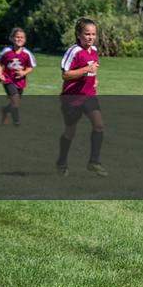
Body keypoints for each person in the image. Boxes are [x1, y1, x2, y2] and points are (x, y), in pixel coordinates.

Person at [56, 18, 107, 177]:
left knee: (99, 125)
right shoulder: (74, 51)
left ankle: (94, 162)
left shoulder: (94, 50)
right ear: (79, 35)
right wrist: (86, 70)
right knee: (70, 132)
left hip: (88, 96)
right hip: (71, 99)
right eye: (87, 34)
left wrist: (94, 80)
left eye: (93, 34)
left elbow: (93, 70)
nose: (91, 37)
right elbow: (66, 74)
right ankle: (62, 162)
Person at [0, 28, 36, 126]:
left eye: (22, 37)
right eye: (17, 37)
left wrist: (24, 72)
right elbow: (0, 64)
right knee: (15, 100)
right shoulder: (6, 51)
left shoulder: (27, 53)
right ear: (12, 38)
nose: (19, 39)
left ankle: (5, 110)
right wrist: (0, 75)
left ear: (25, 40)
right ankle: (16, 121)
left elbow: (30, 67)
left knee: (15, 102)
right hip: (8, 79)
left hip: (20, 81)